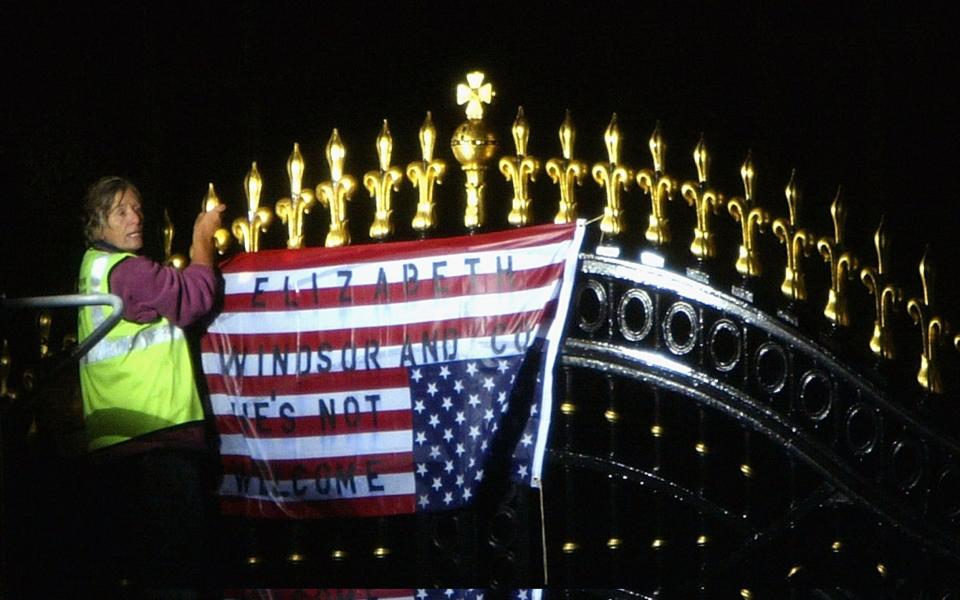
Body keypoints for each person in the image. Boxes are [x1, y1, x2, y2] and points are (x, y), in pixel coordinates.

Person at [76, 175, 225, 596]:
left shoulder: (93, 266)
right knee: (176, 574)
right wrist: (202, 238)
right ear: (97, 224)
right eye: (121, 212)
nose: (135, 218)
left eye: (137, 209)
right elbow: (193, 298)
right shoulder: (128, 272)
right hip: (156, 441)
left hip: (117, 443)